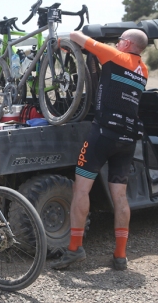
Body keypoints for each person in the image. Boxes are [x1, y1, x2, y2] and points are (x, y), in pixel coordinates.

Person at [52, 29, 149, 271]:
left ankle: (75, 248)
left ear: (126, 43)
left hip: (103, 134)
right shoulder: (144, 71)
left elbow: (76, 36)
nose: (116, 43)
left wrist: (60, 39)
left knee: (81, 188)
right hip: (128, 138)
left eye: (120, 40)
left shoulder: (115, 56)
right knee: (119, 196)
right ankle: (120, 255)